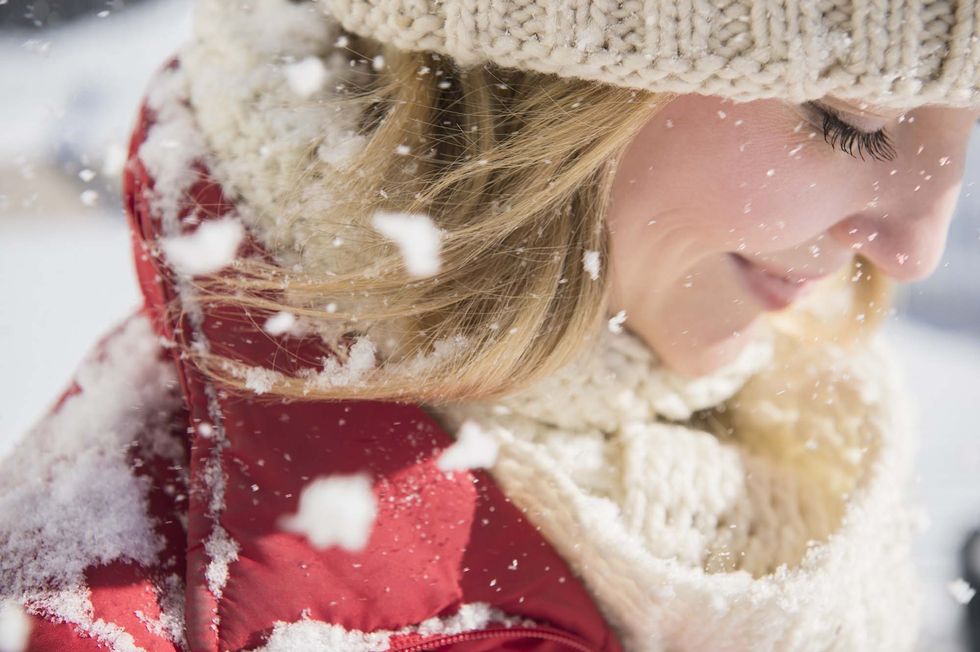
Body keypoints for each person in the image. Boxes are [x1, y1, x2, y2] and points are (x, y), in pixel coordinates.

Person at [2, 0, 980, 650]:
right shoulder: (104, 593)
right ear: (547, 90)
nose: (913, 247)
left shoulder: (780, 422)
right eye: (855, 120)